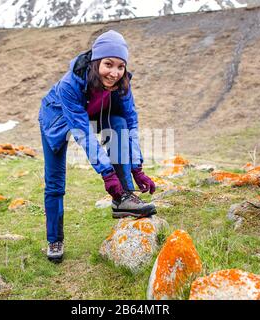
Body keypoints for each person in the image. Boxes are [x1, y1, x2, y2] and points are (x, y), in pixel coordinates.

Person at [38, 30, 156, 263]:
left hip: (95, 113)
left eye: (120, 66)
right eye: (108, 64)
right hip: (57, 119)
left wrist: (137, 168)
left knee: (120, 122)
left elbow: (131, 122)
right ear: (95, 62)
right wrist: (107, 174)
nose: (114, 73)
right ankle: (54, 239)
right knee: (55, 183)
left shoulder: (122, 83)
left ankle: (123, 198)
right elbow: (82, 133)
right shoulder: (69, 85)